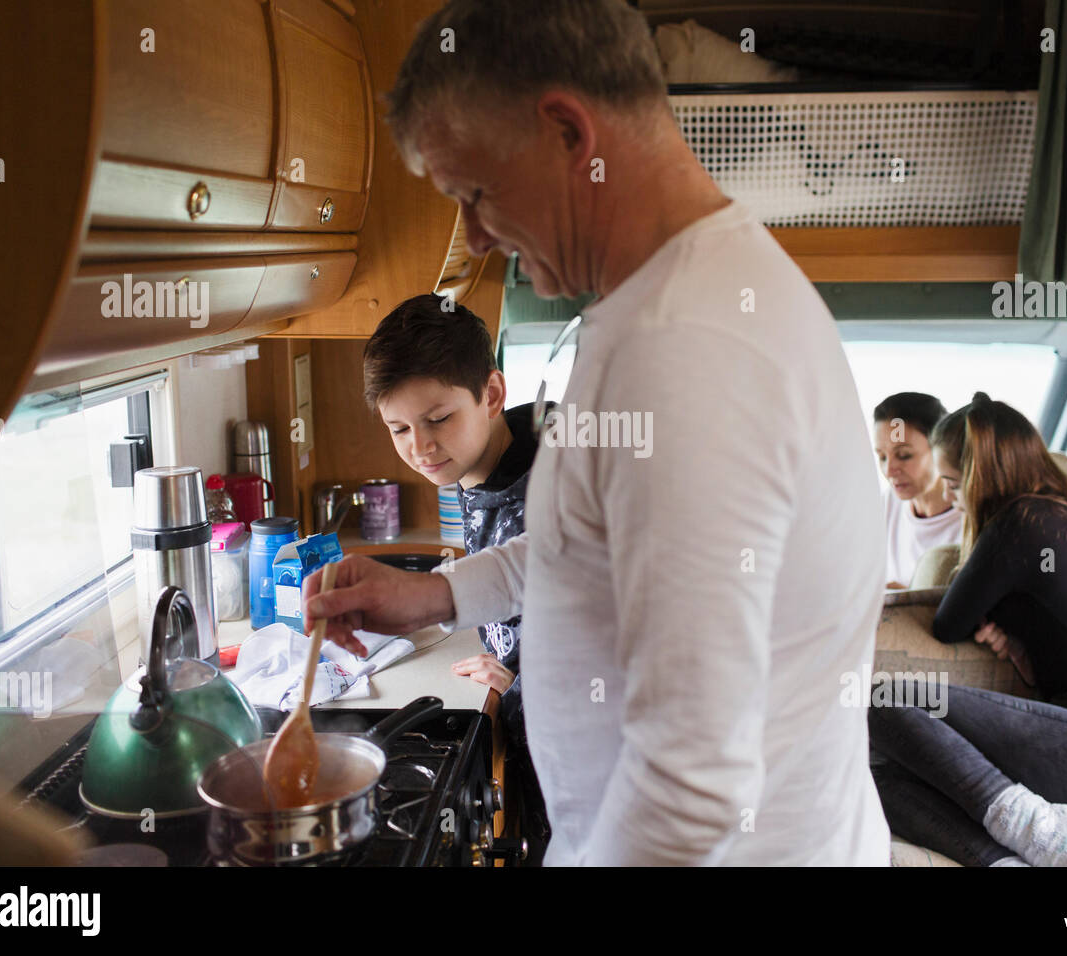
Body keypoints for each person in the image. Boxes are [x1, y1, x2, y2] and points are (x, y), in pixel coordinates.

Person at [304, 0, 889, 865]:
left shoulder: (685, 349)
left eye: (475, 193)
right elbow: (598, 542)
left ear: (568, 133)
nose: (476, 237)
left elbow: (693, 781)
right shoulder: (669, 300)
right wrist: (441, 596)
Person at [868, 393, 1067, 866]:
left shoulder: (1020, 521)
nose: (951, 498)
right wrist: (1013, 624)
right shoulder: (1066, 512)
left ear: (979, 478)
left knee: (882, 699)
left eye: (954, 484)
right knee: (881, 782)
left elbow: (949, 622)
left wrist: (995, 613)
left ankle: (1042, 833)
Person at [360, 292, 551, 862]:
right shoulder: (487, 460)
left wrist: (525, 686)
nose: (420, 448)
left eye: (438, 419)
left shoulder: (564, 473)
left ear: (491, 395)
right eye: (398, 429)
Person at [872, 392, 962, 588]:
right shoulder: (889, 503)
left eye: (904, 455)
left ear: (941, 450)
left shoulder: (971, 518)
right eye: (882, 457)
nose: (889, 470)